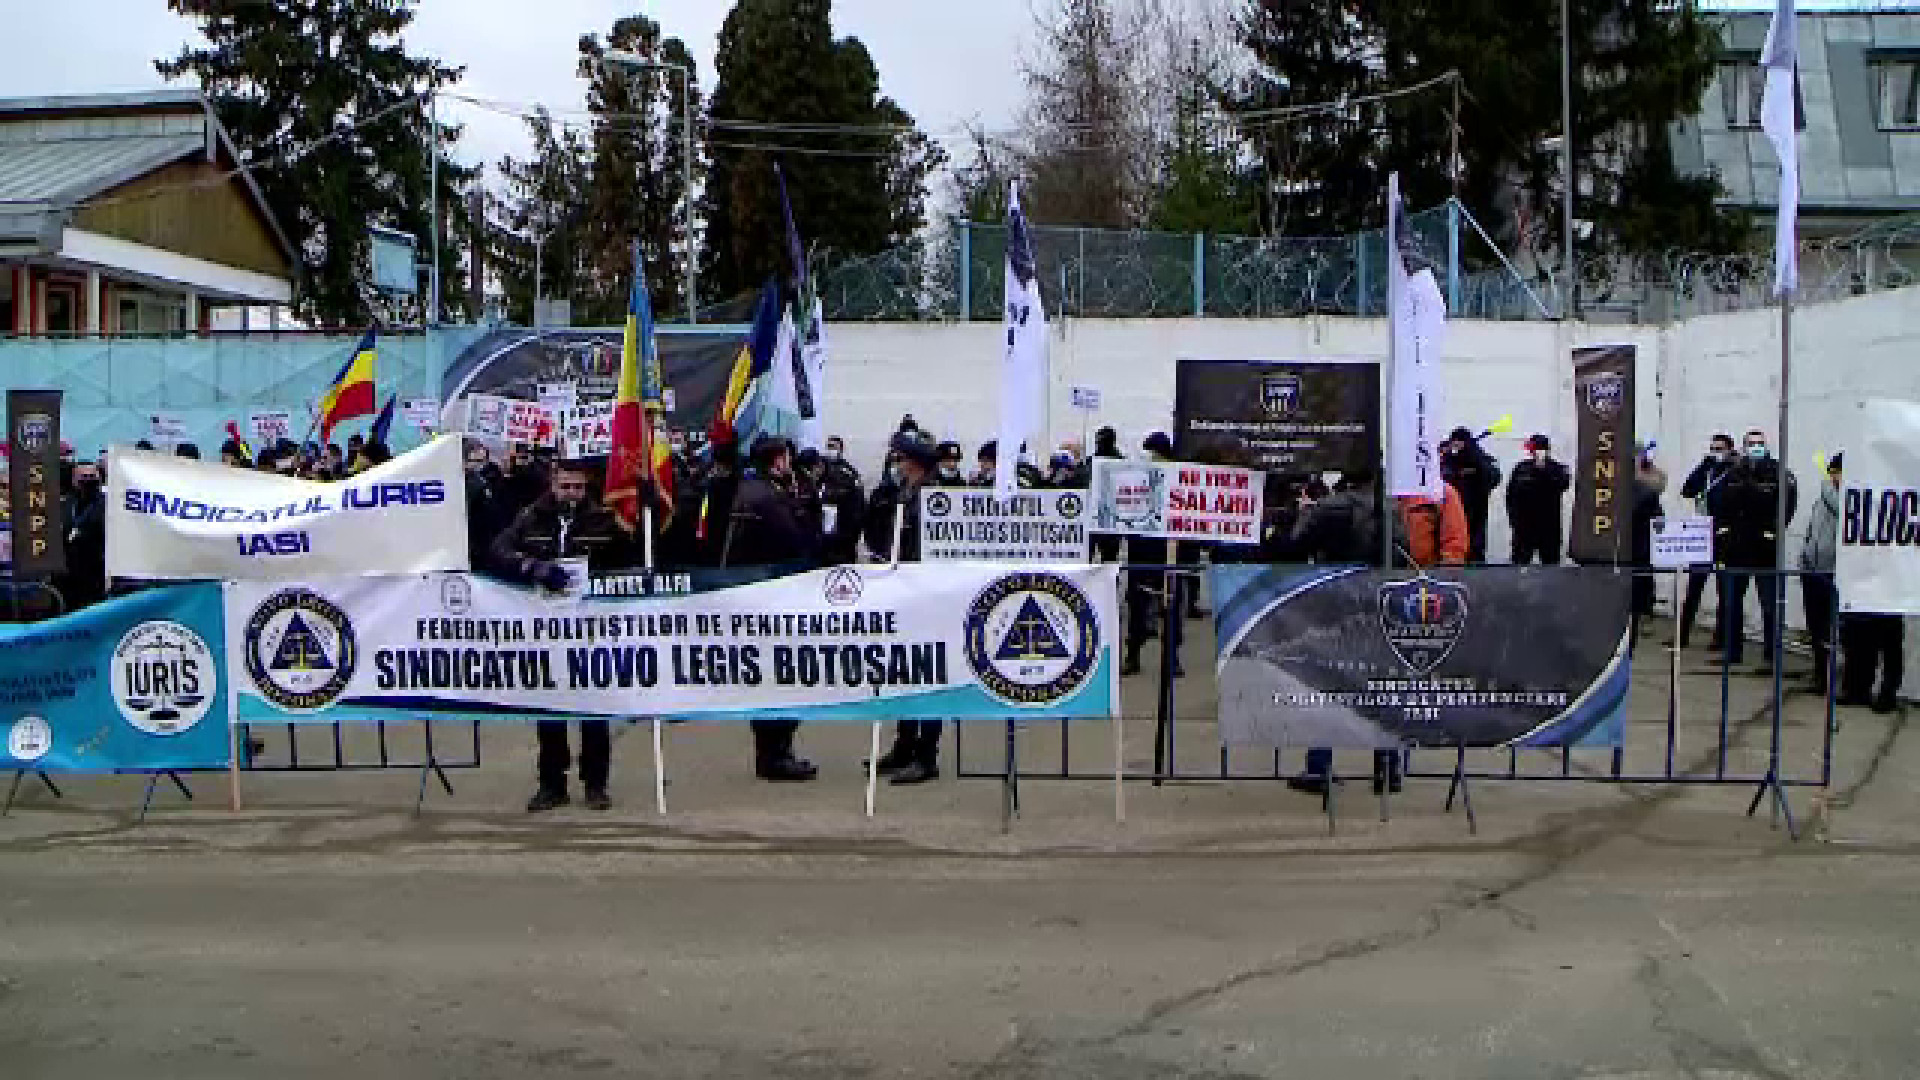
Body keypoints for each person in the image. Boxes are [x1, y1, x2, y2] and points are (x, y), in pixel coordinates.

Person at [1289, 470, 1468, 796]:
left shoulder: (1336, 504)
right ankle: (1386, 767)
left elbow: (1296, 543)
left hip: (1346, 601)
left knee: (1330, 684)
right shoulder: (1399, 507)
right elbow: (1416, 551)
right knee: (1383, 684)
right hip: (1390, 602)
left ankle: (1323, 766)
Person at [491, 460, 639, 813]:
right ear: (553, 485)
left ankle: (596, 784)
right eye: (564, 486)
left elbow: (630, 557)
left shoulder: (603, 518)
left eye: (577, 487)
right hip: (546, 628)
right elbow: (498, 550)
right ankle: (552, 784)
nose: (570, 493)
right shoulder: (530, 517)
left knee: (594, 709)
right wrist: (531, 567)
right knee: (550, 707)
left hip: (592, 629)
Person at [729, 436, 820, 782]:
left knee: (768, 679)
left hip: (760, 595)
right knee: (784, 677)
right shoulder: (770, 497)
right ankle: (777, 755)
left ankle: (770, 754)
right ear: (778, 460)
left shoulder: (752, 490)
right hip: (778, 595)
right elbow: (799, 542)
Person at [871, 430, 945, 785]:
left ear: (914, 462)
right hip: (906, 591)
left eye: (900, 459)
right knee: (903, 672)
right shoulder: (907, 493)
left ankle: (925, 754)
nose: (896, 465)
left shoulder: (931, 496)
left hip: (926, 595)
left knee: (926, 675)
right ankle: (904, 745)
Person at [1716, 429, 1797, 670]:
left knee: (1770, 604)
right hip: (1736, 547)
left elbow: (1787, 506)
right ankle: (1732, 652)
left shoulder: (1778, 473)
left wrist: (1773, 530)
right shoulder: (1733, 472)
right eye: (1751, 444)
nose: (1755, 448)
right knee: (1731, 602)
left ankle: (1772, 655)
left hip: (1765, 547)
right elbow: (1721, 505)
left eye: (1759, 444)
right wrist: (1724, 534)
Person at [1123, 432, 1185, 679]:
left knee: (1170, 606)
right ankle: (1134, 655)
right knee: (1139, 606)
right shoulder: (1140, 478)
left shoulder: (1177, 477)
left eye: (1154, 452)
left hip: (1167, 551)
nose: (1151, 457)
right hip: (1143, 550)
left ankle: (1170, 658)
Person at [1677, 434, 1737, 649]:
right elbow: (1687, 490)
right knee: (1694, 585)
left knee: (1724, 589)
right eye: (1712, 448)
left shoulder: (1734, 471)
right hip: (1701, 534)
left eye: (1719, 448)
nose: (1715, 452)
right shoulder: (1708, 470)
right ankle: (1682, 634)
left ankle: (1721, 637)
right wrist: (1704, 465)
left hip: (1722, 535)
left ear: (1730, 449)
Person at [1799, 454, 1842, 697]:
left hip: (1832, 570)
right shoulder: (1822, 499)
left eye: (1837, 472)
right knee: (1816, 627)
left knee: (1831, 627)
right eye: (1832, 471)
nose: (1833, 476)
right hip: (1813, 569)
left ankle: (1833, 676)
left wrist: (1827, 482)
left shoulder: (1841, 498)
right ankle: (1820, 674)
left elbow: (1836, 505)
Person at [1506, 434, 1569, 564]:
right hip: (1524, 528)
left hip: (1549, 528)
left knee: (1550, 565)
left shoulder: (1558, 468)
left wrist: (1542, 470)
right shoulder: (1521, 468)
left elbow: (1562, 485)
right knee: (1519, 564)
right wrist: (1513, 519)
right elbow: (1511, 495)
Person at [1441, 427, 1500, 563]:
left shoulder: (1479, 458)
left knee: (1475, 544)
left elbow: (1493, 477)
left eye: (1459, 441)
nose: (1456, 445)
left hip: (1475, 510)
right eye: (1454, 441)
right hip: (1452, 510)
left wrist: (1475, 458)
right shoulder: (1448, 459)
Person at [56, 461, 108, 611]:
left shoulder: (109, 504)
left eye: (92, 476)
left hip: (97, 574)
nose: (88, 480)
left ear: (99, 477)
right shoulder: (64, 505)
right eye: (83, 476)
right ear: (73, 480)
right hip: (67, 576)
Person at [1631, 443, 1667, 627]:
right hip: (1624, 539)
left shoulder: (1650, 477)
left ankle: (1645, 612)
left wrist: (1641, 472)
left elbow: (1660, 484)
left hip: (1642, 537)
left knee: (1643, 577)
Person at [817, 435, 867, 566]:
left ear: (841, 449)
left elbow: (859, 505)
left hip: (844, 536)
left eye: (833, 447)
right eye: (828, 447)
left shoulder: (849, 473)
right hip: (822, 538)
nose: (830, 450)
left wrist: (853, 536)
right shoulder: (819, 470)